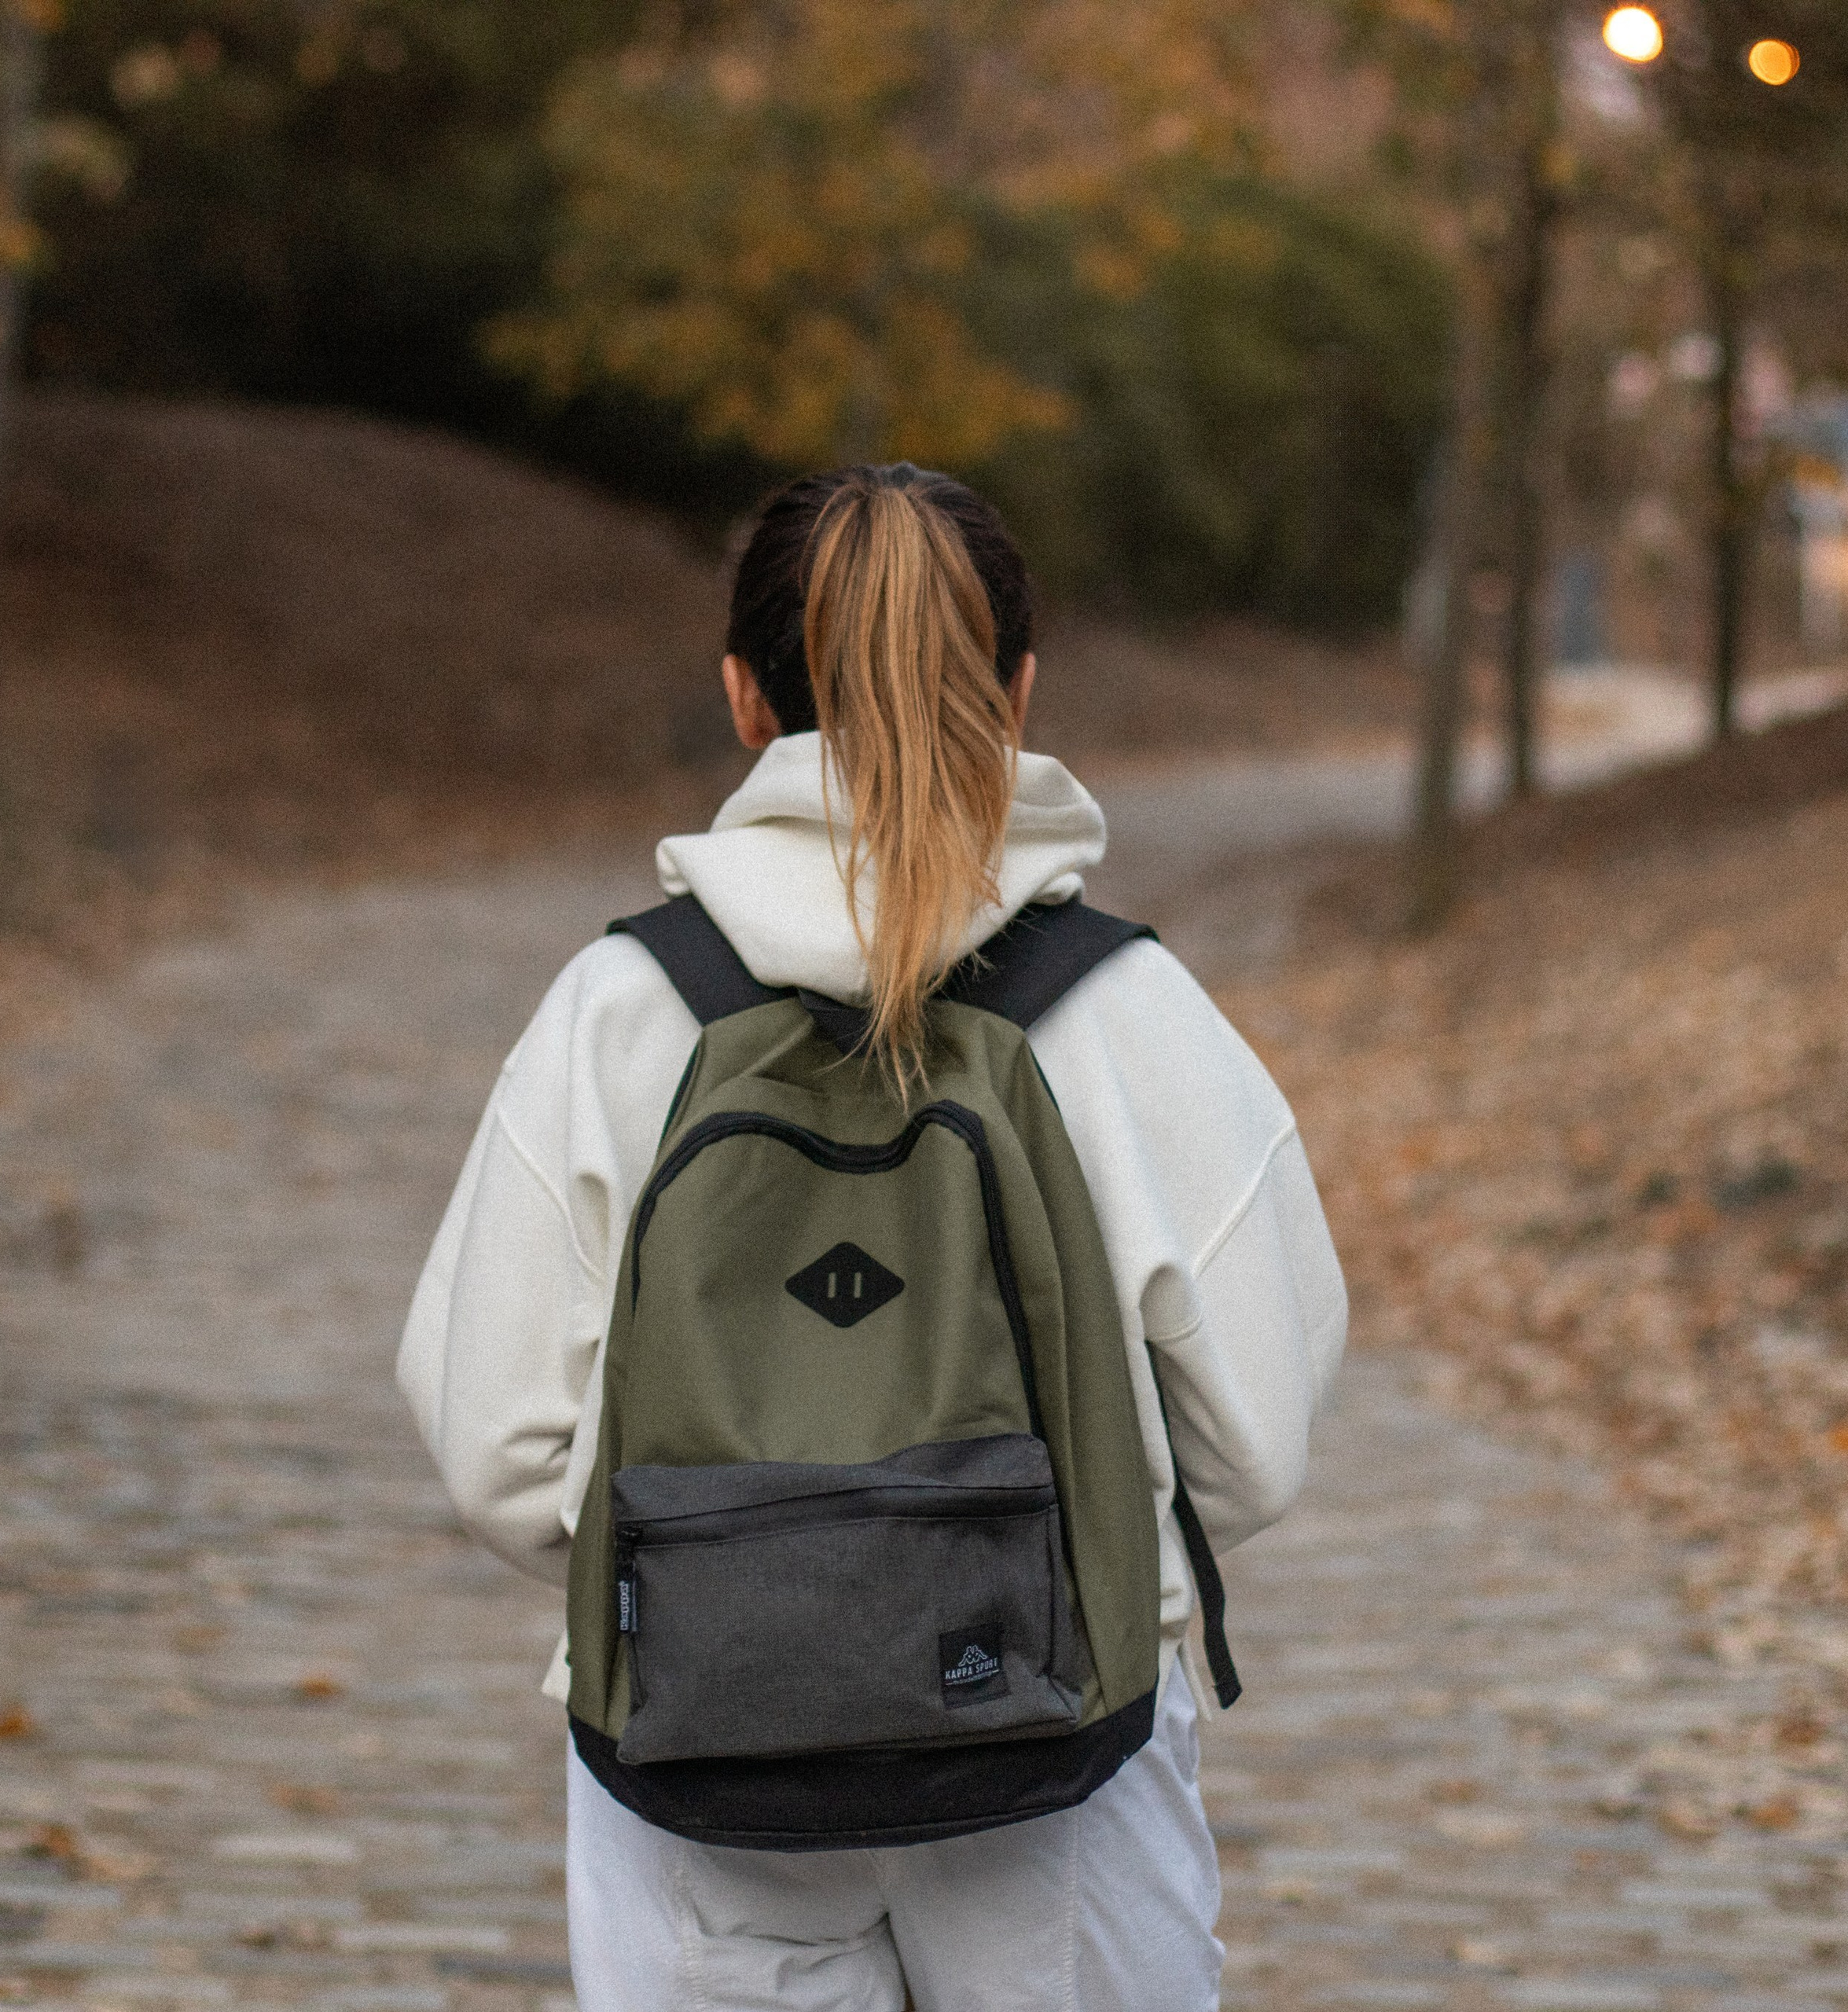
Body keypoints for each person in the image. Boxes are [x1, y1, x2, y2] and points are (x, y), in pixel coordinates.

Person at [398, 463, 1348, 2012]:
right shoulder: (1122, 1010)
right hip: (1059, 1753)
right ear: (1021, 689)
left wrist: (736, 1588)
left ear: (737, 695)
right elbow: (1249, 1437)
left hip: (697, 1756)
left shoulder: (621, 1009)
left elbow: (498, 1443)